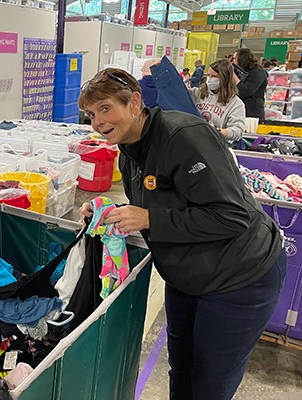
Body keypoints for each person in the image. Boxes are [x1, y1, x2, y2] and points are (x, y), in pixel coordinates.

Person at [78, 67, 284, 400]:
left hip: (240, 278)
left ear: (134, 102)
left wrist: (150, 219)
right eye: (90, 114)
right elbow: (157, 203)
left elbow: (231, 216)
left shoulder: (183, 136)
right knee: (182, 372)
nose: (97, 122)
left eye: (105, 109)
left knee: (209, 385)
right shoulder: (129, 151)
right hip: (186, 278)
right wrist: (105, 212)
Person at [188, 58, 246, 141]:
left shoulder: (236, 103)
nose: (210, 79)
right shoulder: (196, 93)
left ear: (225, 78)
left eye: (214, 76)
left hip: (215, 145)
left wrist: (216, 131)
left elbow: (238, 131)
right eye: (208, 75)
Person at [233, 48, 268, 120]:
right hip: (238, 111)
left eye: (234, 58)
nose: (233, 61)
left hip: (252, 114)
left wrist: (233, 76)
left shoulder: (257, 72)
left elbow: (245, 91)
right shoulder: (241, 71)